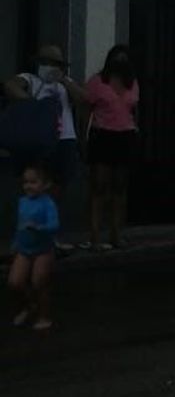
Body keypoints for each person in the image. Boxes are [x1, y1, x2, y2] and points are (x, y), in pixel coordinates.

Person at [5, 44, 87, 241]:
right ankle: (29, 233)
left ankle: (49, 235)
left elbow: (83, 98)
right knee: (33, 187)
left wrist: (64, 80)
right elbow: (10, 86)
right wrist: (32, 102)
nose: (49, 66)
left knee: (57, 188)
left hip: (64, 139)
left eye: (54, 63)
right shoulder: (30, 79)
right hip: (39, 139)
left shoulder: (63, 84)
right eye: (45, 62)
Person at [83, 45, 140, 251]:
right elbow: (86, 108)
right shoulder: (97, 82)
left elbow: (133, 109)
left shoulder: (132, 84)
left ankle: (117, 234)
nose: (121, 62)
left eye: (125, 59)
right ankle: (95, 237)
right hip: (102, 136)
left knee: (119, 188)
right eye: (117, 58)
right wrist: (84, 138)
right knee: (99, 187)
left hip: (125, 136)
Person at [10, 161, 59, 332]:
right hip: (24, 248)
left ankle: (44, 315)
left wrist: (39, 228)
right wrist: (16, 242)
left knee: (39, 282)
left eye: (33, 182)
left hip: (43, 250)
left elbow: (54, 225)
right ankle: (30, 305)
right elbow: (20, 224)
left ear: (45, 184)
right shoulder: (22, 201)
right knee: (15, 282)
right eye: (25, 182)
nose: (28, 186)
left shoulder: (48, 203)